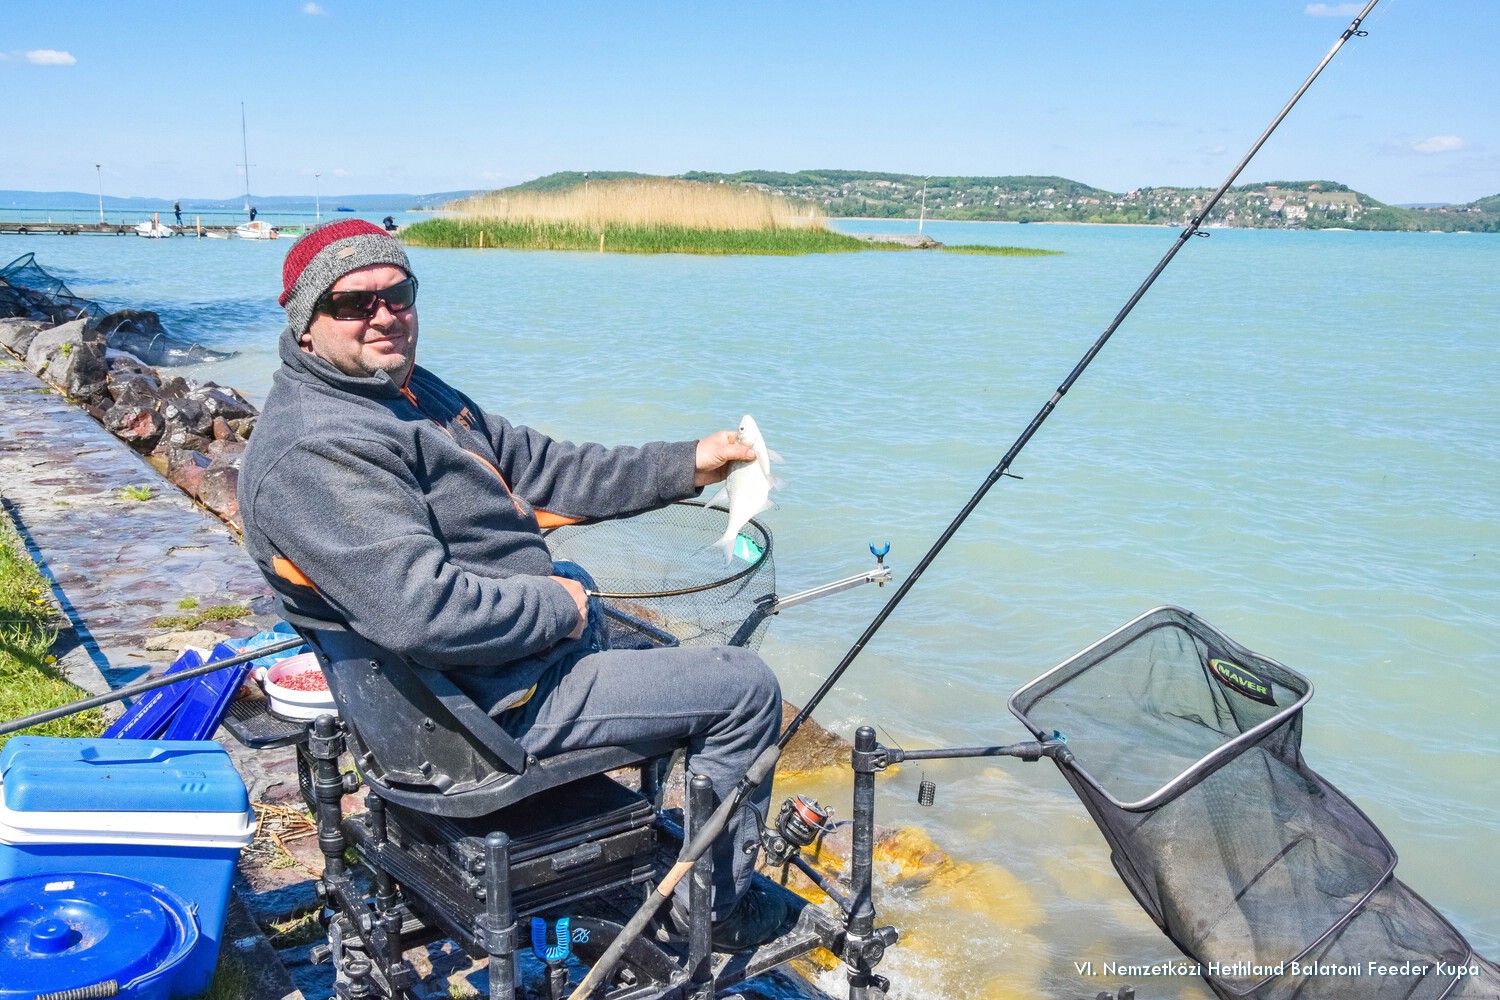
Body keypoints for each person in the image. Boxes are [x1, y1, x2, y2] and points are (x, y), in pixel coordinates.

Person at [238, 219, 786, 951]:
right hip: (481, 712)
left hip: (494, 669)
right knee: (745, 688)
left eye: (398, 294)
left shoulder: (402, 390)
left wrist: (688, 462)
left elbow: (544, 468)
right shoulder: (321, 446)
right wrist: (557, 606)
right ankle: (712, 916)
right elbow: (421, 611)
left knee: (587, 586)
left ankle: (648, 843)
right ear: (307, 324)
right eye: (354, 304)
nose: (384, 315)